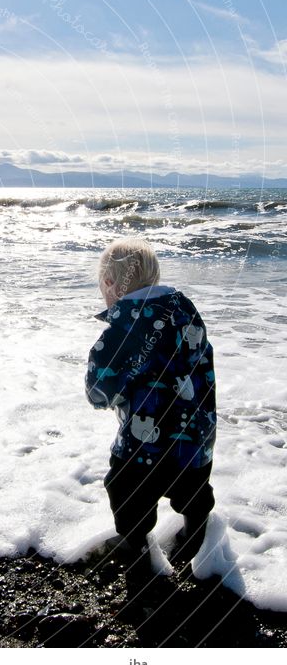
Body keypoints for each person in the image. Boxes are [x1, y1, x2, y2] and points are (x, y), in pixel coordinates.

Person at [85, 238, 217, 595]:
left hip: (143, 450)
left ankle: (139, 546)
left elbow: (100, 392)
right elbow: (203, 360)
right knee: (194, 490)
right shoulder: (186, 310)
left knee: (126, 494)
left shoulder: (121, 330)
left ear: (111, 285)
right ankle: (197, 532)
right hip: (196, 440)